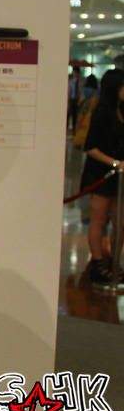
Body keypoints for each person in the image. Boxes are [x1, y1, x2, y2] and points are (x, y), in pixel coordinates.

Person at [79, 68, 124, 285]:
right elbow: (90, 147)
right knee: (99, 219)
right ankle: (97, 263)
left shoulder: (121, 109)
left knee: (119, 221)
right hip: (101, 174)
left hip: (119, 176)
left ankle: (114, 262)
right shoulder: (102, 112)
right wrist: (114, 163)